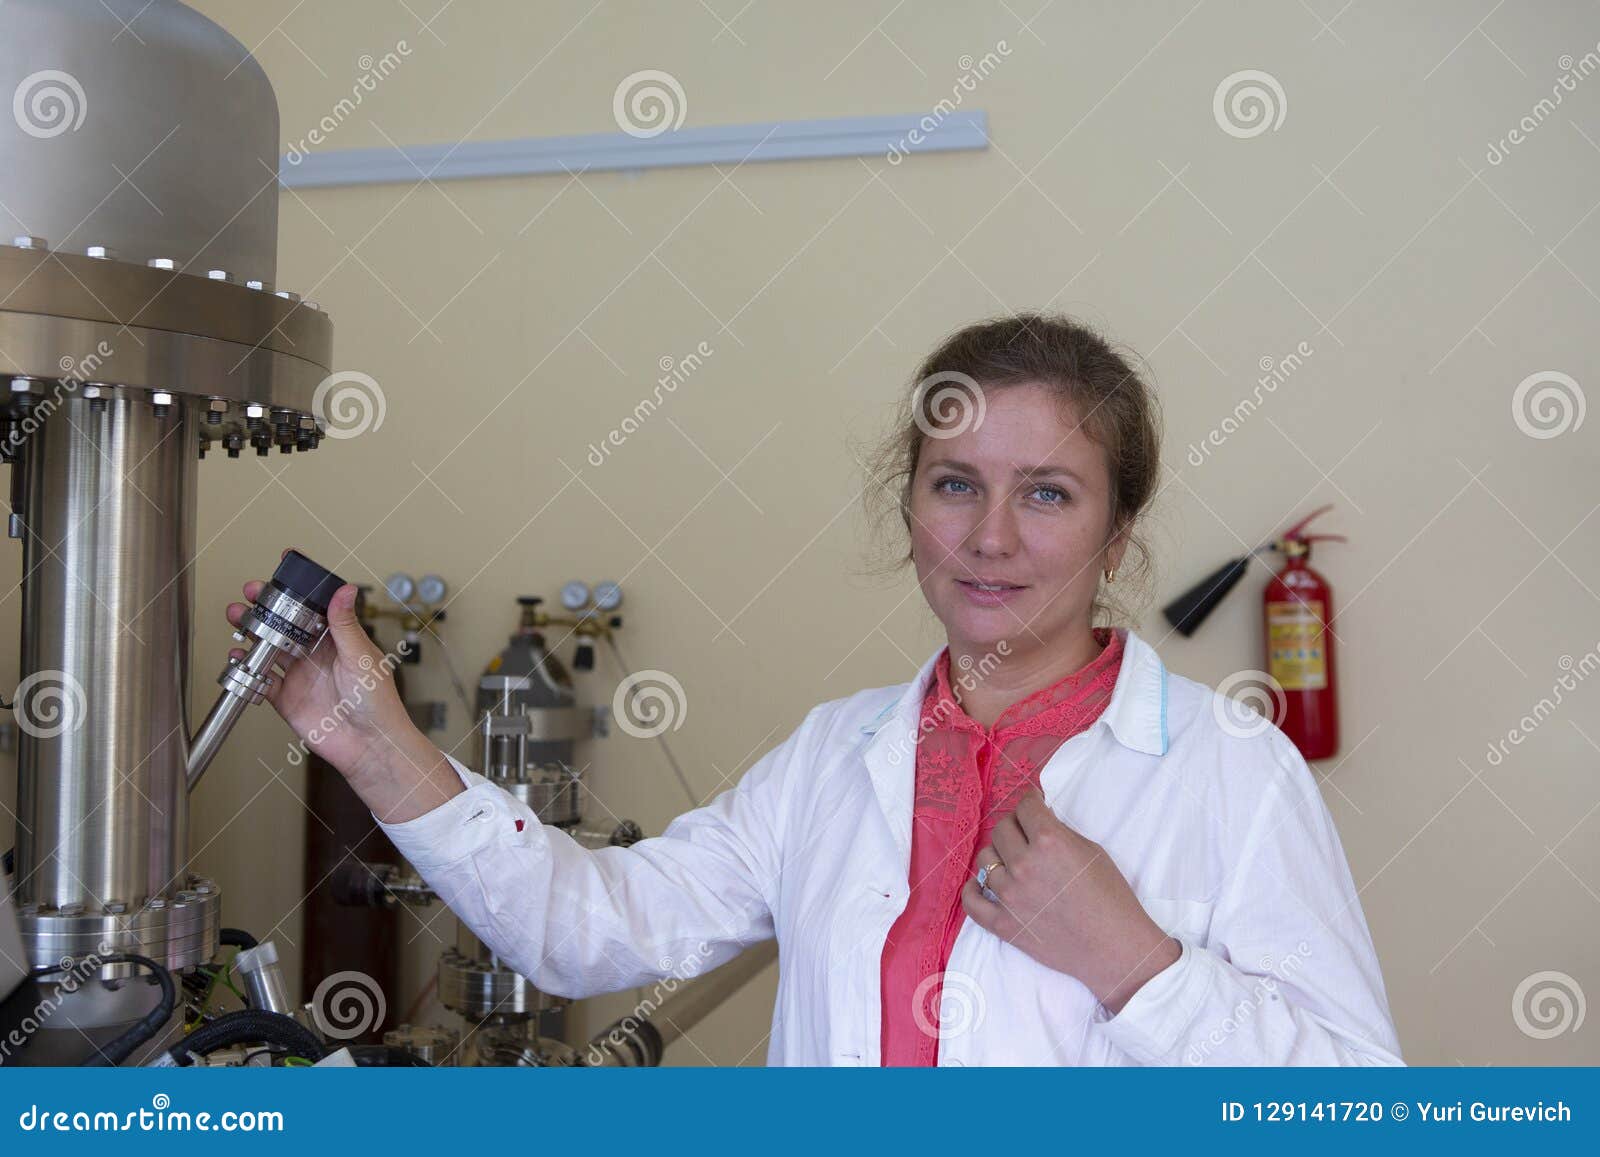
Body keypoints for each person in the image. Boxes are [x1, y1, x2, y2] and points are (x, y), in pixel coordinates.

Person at [229, 313, 1402, 1066]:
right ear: (908, 510)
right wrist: (374, 743)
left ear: (1117, 531)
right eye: (955, 485)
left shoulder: (1228, 768)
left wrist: (1132, 962)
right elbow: (590, 929)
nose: (990, 537)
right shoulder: (838, 754)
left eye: (1046, 492)